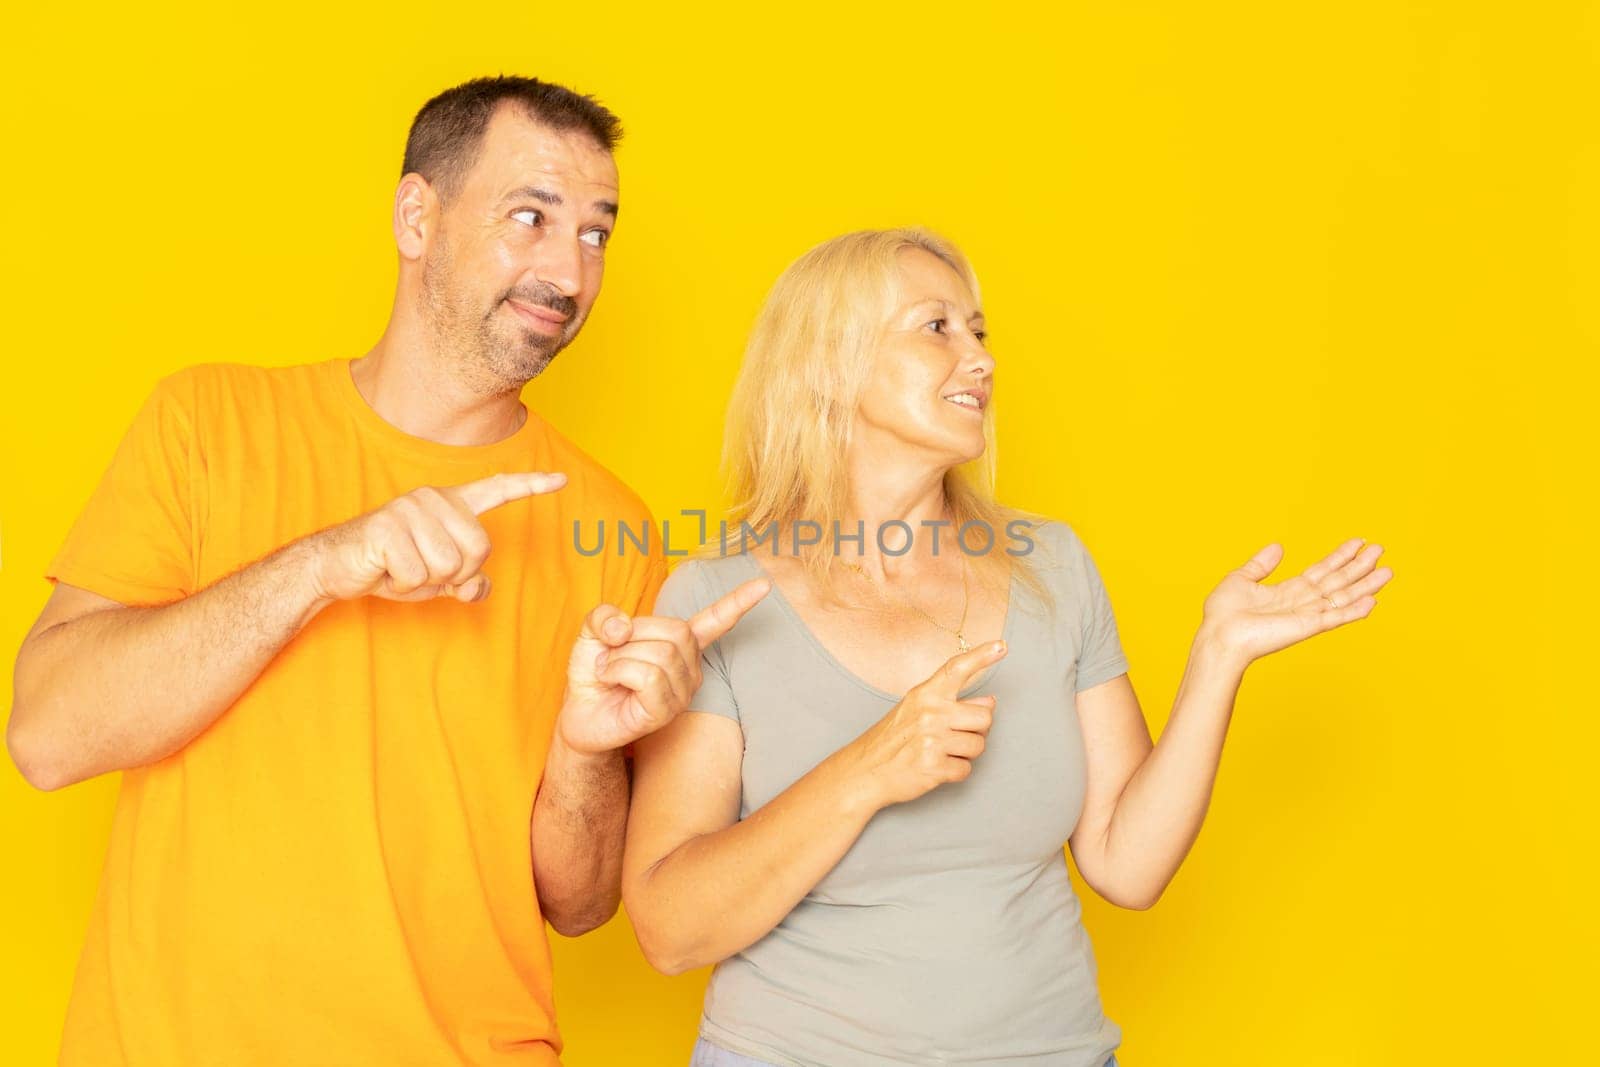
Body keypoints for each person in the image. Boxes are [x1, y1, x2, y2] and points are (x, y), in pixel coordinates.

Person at [6, 75, 766, 1065]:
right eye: (531, 216)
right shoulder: (209, 425)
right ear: (418, 216)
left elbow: (577, 905)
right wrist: (326, 562)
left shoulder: (612, 528)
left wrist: (584, 749)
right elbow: (47, 736)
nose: (568, 273)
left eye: (594, 234)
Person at [621, 228, 1394, 1066]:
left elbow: (1127, 866)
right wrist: (869, 770)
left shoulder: (1051, 566)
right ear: (830, 364)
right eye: (937, 327)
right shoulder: (717, 598)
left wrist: (1219, 657)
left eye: (979, 330)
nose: (981, 359)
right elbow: (670, 930)